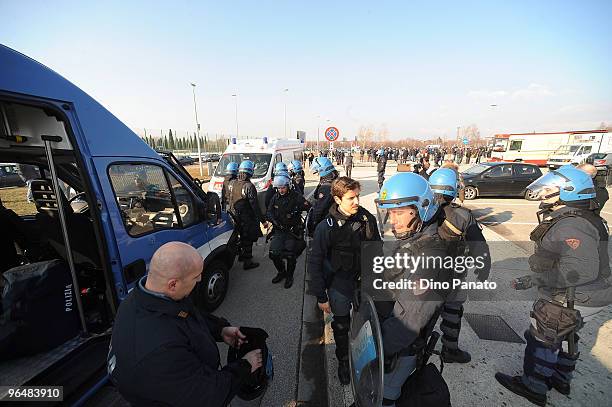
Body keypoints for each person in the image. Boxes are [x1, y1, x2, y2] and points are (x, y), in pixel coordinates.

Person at [495, 165, 612, 406]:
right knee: (568, 333)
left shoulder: (572, 224)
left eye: (554, 186)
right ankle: (561, 378)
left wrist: (538, 279)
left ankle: (534, 386)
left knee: (543, 337)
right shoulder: (581, 216)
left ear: (570, 191)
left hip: (573, 296)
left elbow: (581, 271)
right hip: (591, 296)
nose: (547, 189)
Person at [108, 242, 263, 407]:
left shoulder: (141, 299)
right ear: (173, 284)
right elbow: (208, 396)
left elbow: (182, 313)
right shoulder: (161, 352)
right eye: (196, 277)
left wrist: (220, 329)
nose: (201, 279)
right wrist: (245, 366)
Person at [375, 172, 452, 406]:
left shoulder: (431, 258)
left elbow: (408, 321)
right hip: (386, 338)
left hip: (397, 350)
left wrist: (373, 350)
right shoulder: (412, 242)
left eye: (399, 212)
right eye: (390, 213)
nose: (393, 220)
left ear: (422, 209)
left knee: (384, 398)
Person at [308, 177, 380, 385]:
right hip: (339, 282)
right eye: (351, 198)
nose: (357, 201)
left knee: (366, 324)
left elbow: (377, 251)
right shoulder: (326, 227)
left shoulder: (366, 219)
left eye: (357, 196)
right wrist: (321, 296)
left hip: (363, 281)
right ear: (338, 199)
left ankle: (365, 360)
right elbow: (316, 263)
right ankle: (343, 362)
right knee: (341, 327)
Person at [429, 168, 491, 363]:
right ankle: (450, 350)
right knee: (453, 311)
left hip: (425, 271)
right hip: (453, 273)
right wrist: (483, 267)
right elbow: (479, 246)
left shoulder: (423, 210)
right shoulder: (463, 215)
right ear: (454, 188)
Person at [267, 175, 309, 288]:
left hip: (292, 231)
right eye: (279, 188)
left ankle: (289, 276)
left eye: (283, 187)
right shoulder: (275, 197)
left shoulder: (296, 197)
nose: (281, 190)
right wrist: (275, 222)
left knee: (290, 255)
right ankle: (282, 272)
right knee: (273, 254)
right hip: (279, 230)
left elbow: (309, 208)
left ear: (288, 186)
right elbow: (269, 212)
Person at [227, 160, 266, 270]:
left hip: (234, 216)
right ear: (250, 172)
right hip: (246, 218)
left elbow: (229, 199)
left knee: (239, 237)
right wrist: (263, 220)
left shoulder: (232, 183)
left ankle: (241, 256)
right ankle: (247, 262)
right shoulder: (249, 186)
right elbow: (255, 206)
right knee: (248, 238)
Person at [307, 157, 338, 235]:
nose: (317, 172)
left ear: (323, 169)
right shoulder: (334, 178)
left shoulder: (326, 187)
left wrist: (313, 223)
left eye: (318, 170)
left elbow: (319, 208)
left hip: (327, 220)